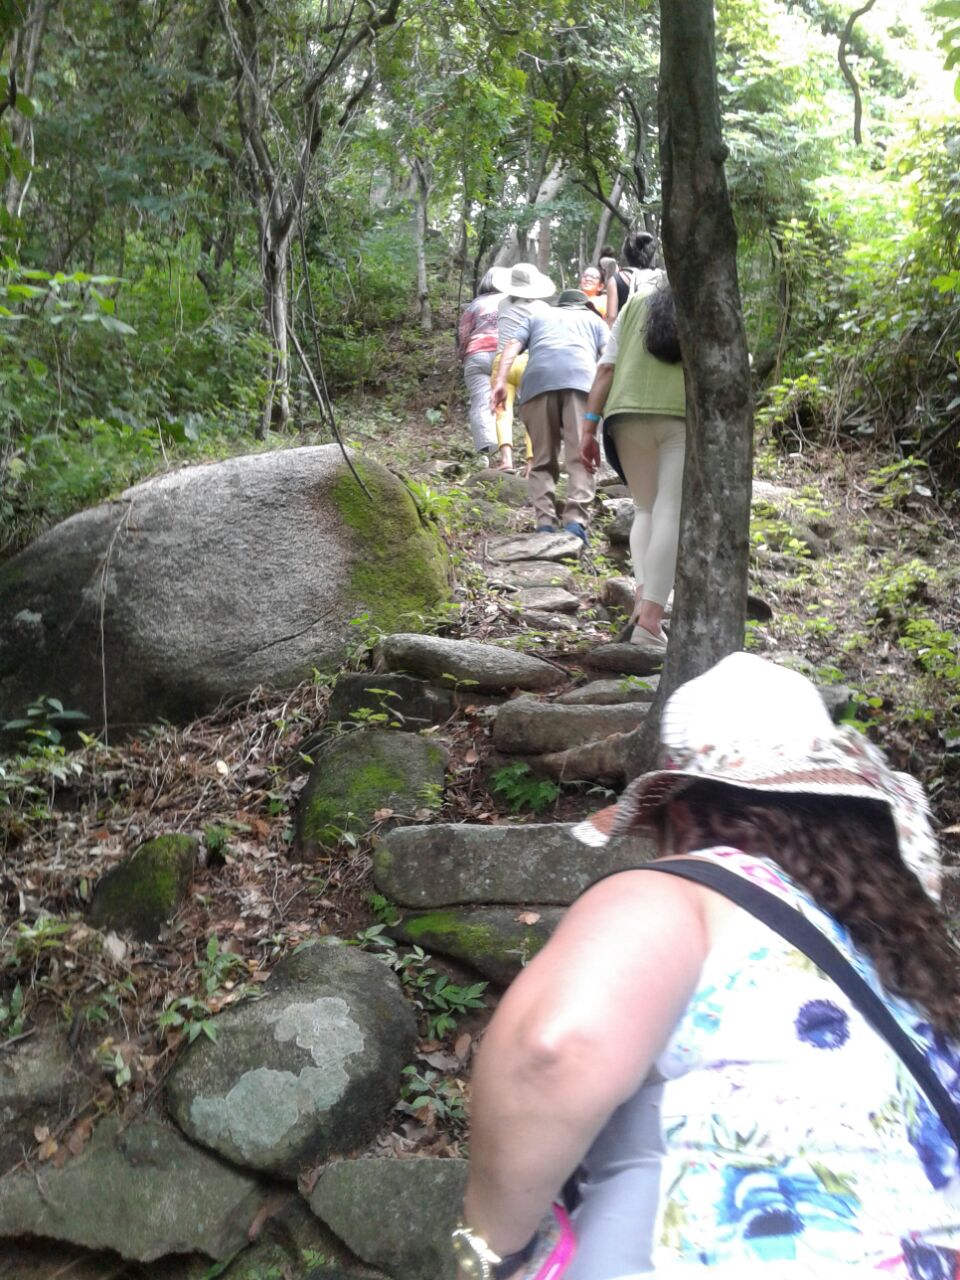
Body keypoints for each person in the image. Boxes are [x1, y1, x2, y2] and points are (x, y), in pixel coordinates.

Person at [453, 651, 958, 1280]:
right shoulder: (894, 958)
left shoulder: (689, 889)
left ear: (684, 812)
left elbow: (553, 1050)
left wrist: (490, 1248)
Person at [581, 280, 684, 648]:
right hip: (681, 414)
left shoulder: (635, 301)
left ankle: (642, 603)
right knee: (670, 509)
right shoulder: (702, 297)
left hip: (624, 414)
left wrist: (589, 428)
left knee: (645, 509)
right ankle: (651, 624)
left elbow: (605, 369)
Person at [492, 289, 607, 543]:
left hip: (537, 384)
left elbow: (511, 346)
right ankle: (575, 522)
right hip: (581, 383)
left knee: (542, 458)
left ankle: (545, 523)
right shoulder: (595, 320)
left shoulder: (537, 316)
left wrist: (500, 381)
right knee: (581, 456)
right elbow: (609, 358)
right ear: (585, 306)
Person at [489, 263, 555, 473]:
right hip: (530, 361)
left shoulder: (502, 304)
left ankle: (506, 460)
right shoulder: (543, 308)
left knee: (502, 410)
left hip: (503, 361)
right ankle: (532, 462)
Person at [458, 269, 505, 463]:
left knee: (481, 402)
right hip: (505, 354)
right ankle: (507, 450)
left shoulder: (475, 305)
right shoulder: (511, 302)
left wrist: (462, 356)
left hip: (477, 355)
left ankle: (486, 451)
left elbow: (464, 334)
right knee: (506, 403)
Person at [605, 231, 663, 327]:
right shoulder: (660, 278)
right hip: (654, 331)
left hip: (627, 332)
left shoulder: (616, 280)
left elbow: (611, 317)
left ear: (626, 254)